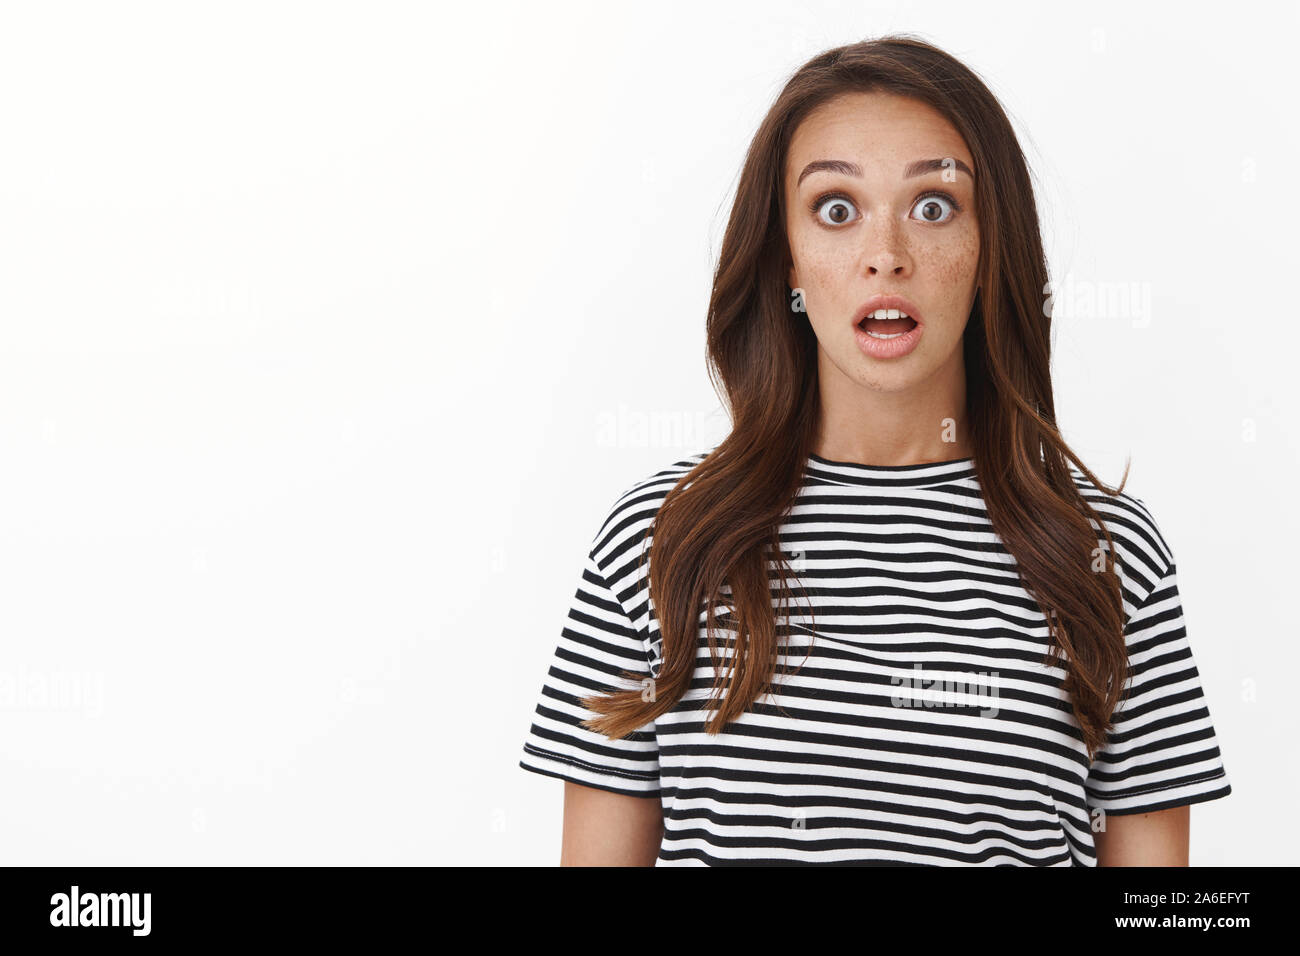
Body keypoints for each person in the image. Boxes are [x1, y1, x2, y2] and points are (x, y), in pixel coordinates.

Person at [518, 34, 1231, 866]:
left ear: (987, 249)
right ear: (788, 256)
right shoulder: (659, 540)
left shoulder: (1106, 556)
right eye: (835, 208)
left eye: (934, 206)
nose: (885, 255)